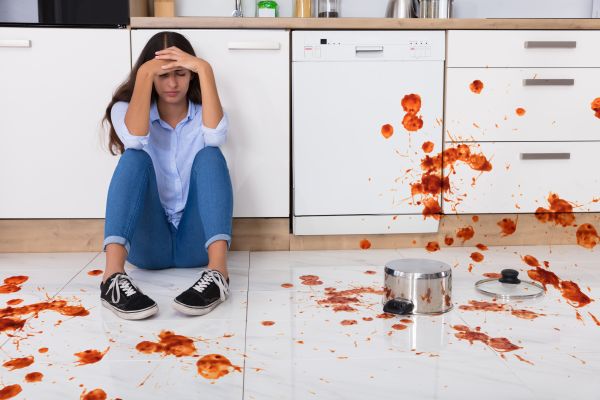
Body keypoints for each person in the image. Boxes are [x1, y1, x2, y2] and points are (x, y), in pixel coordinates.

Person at [100, 31, 233, 320]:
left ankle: (219, 273)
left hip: (196, 243)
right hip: (149, 247)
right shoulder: (126, 110)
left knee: (211, 154)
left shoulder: (203, 112)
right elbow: (134, 139)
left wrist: (205, 68)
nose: (172, 84)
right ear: (148, 76)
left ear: (191, 75)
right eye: (162, 75)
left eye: (180, 73)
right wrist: (145, 74)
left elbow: (216, 134)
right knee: (134, 156)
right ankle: (111, 279)